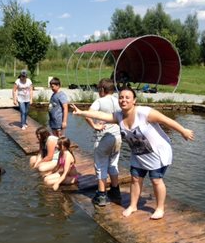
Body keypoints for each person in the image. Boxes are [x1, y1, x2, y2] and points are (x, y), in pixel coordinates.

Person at [71, 86, 194, 219]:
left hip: (157, 152)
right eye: (121, 97)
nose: (123, 100)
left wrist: (183, 131)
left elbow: (166, 120)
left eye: (127, 97)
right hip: (138, 152)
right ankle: (133, 205)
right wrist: (82, 112)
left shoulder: (144, 113)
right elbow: (101, 115)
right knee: (135, 178)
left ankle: (160, 208)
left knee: (156, 180)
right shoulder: (119, 116)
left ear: (134, 100)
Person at [85, 78, 122, 206]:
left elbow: (87, 115)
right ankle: (115, 192)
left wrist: (95, 126)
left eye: (98, 89)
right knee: (113, 164)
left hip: (103, 138)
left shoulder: (100, 101)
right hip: (117, 137)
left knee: (101, 165)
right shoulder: (118, 101)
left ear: (102, 89)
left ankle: (101, 195)